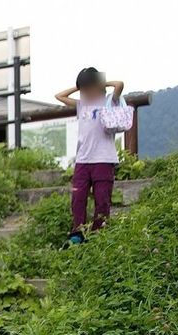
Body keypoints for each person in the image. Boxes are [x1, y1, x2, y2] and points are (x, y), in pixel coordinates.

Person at [55, 67, 125, 245]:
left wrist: (101, 82)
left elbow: (119, 84)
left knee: (102, 200)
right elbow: (59, 96)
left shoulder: (109, 102)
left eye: (90, 87)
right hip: (83, 160)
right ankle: (77, 232)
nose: (87, 92)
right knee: (78, 198)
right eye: (84, 89)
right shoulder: (82, 105)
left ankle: (99, 234)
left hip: (104, 159)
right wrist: (79, 87)